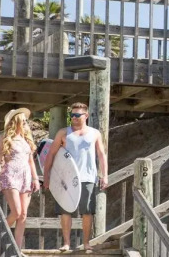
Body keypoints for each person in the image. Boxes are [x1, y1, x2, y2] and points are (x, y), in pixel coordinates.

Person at [43, 102, 108, 253]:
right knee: (65, 211)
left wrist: (104, 175)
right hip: (66, 178)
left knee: (87, 211)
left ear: (86, 116)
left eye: (78, 115)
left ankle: (86, 243)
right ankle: (66, 243)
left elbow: (101, 154)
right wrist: (46, 176)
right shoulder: (63, 133)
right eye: (72, 115)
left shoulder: (95, 133)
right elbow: (51, 154)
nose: (74, 117)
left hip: (88, 177)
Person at [0, 107, 40, 250]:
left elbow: (30, 161)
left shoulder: (26, 138)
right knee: (17, 212)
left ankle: (17, 249)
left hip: (25, 176)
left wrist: (35, 179)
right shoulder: (5, 137)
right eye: (23, 120)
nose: (26, 123)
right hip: (10, 175)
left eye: (26, 121)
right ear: (16, 122)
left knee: (23, 215)